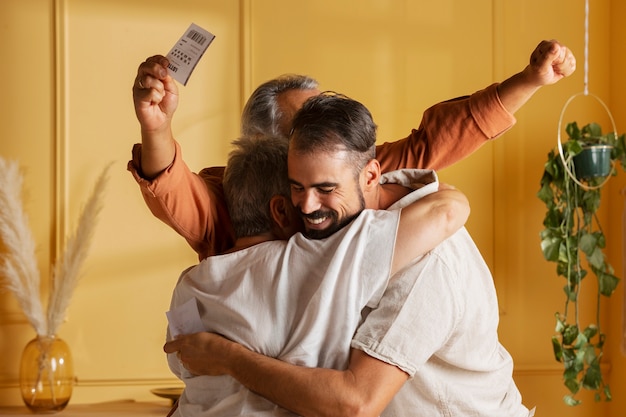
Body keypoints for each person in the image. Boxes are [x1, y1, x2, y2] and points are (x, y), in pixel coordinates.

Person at [166, 93, 536, 416]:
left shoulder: (423, 257)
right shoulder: (328, 241)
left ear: (372, 176)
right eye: (298, 187)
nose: (307, 206)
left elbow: (356, 404)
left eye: (326, 188)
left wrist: (229, 358)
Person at [128, 39, 576, 260]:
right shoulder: (233, 194)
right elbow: (177, 191)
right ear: (268, 146)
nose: (328, 134)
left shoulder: (355, 173)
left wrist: (530, 80)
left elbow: (436, 140)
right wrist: (157, 125)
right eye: (309, 125)